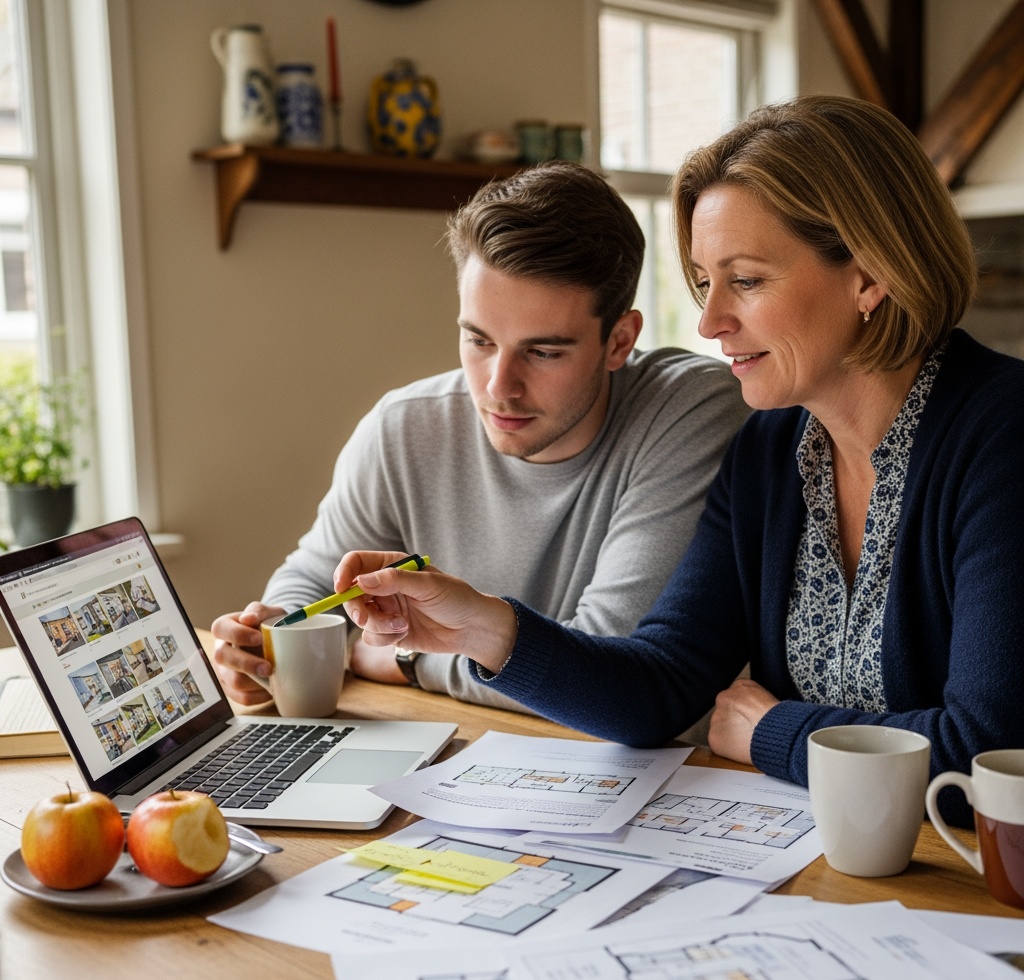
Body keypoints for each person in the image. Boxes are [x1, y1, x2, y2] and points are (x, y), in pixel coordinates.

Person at [340, 96, 1024, 828]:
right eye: (704, 280)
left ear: (868, 274)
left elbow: (988, 754)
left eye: (748, 280)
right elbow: (661, 686)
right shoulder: (771, 451)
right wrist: (485, 629)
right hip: (836, 874)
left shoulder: (1004, 435)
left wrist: (771, 733)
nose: (710, 321)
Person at [211, 161, 748, 712]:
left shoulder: (691, 410)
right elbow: (312, 583)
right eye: (479, 340)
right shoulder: (403, 426)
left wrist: (406, 660)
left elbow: (611, 668)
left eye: (543, 352)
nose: (499, 387)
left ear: (619, 341)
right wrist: (267, 642)